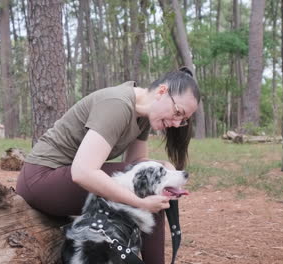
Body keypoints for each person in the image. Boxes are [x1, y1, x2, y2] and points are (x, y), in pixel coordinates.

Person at [16, 66, 201, 264]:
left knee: (155, 185)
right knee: (150, 189)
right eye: (178, 112)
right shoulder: (117, 105)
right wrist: (139, 202)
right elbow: (83, 172)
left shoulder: (144, 115)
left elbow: (135, 163)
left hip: (61, 178)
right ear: (162, 92)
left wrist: (163, 166)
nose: (176, 123)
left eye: (183, 120)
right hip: (42, 180)